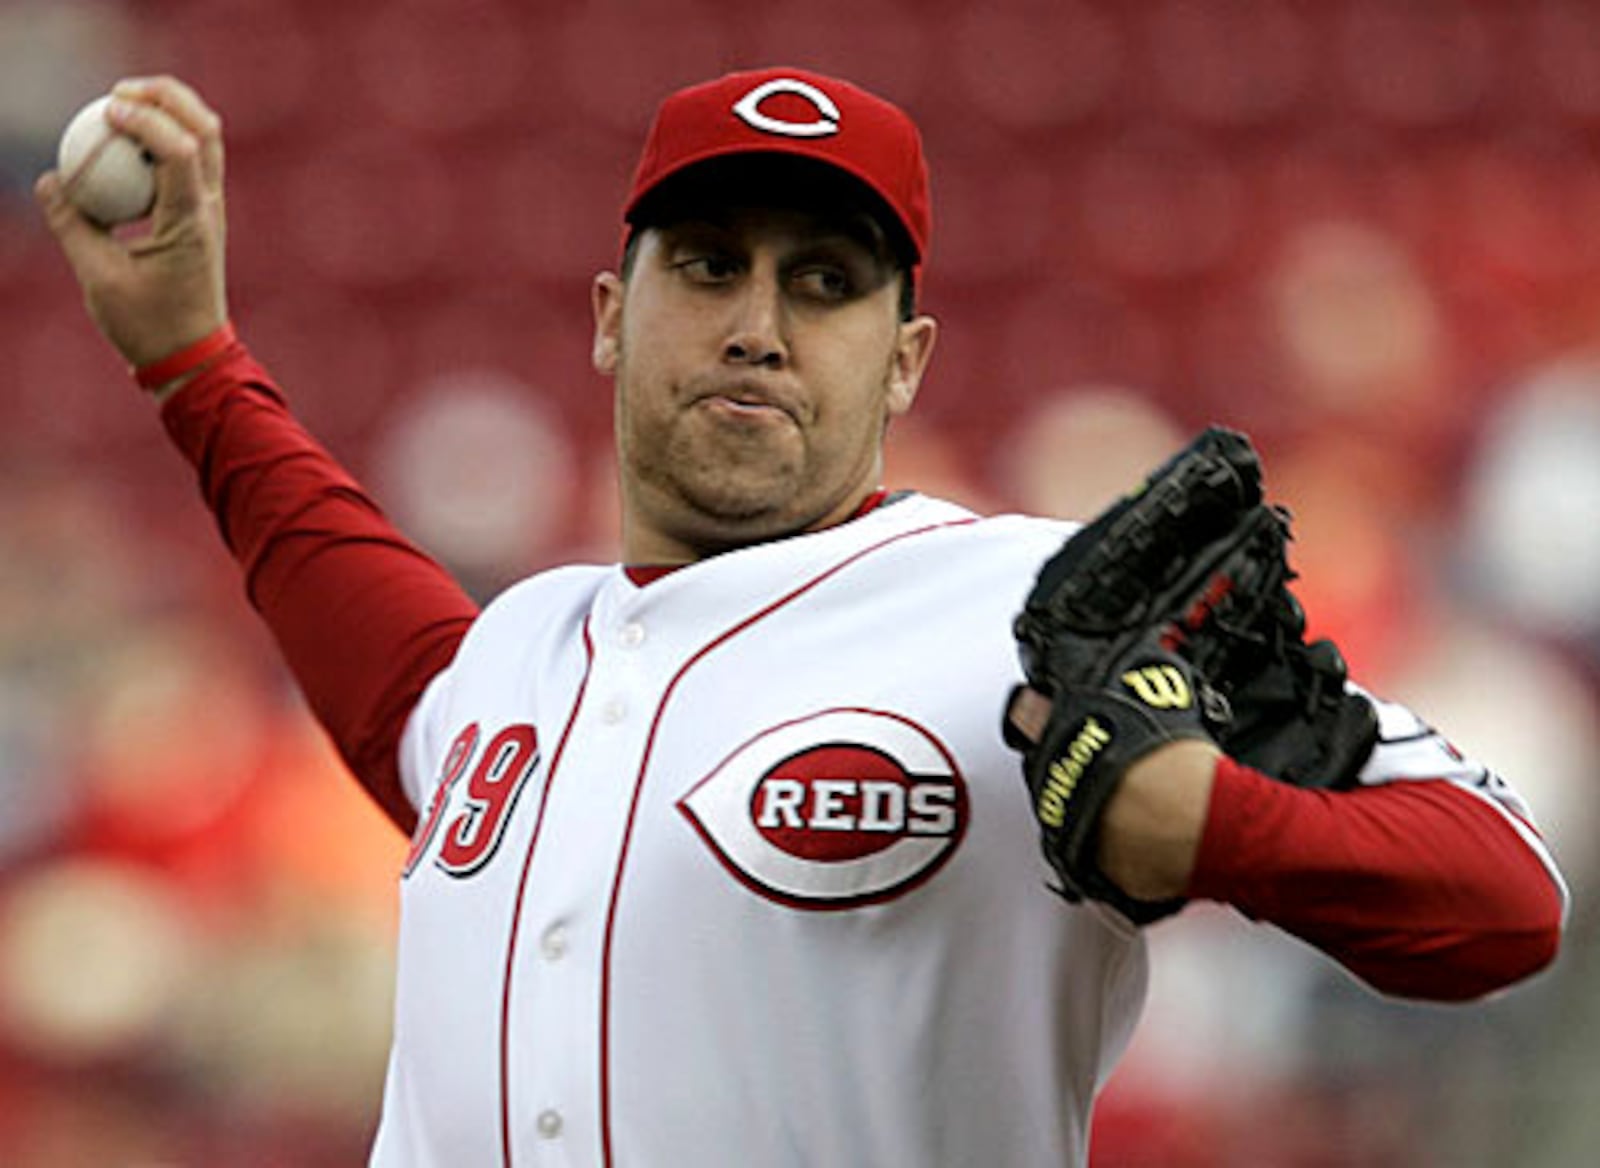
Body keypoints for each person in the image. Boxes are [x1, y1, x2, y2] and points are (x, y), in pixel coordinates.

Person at [37, 68, 1566, 1167]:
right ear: (610, 316)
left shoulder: (1035, 611)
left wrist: (1224, 828)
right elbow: (393, 674)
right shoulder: (522, 651)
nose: (759, 326)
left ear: (904, 363)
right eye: (709, 266)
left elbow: (1507, 901)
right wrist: (193, 366)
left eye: (825, 281)